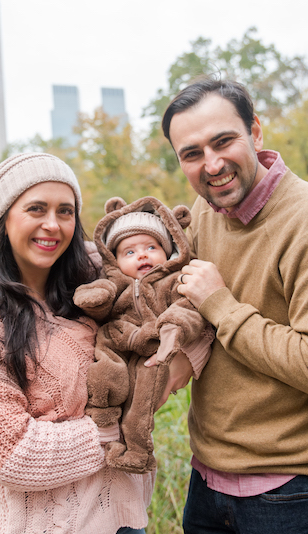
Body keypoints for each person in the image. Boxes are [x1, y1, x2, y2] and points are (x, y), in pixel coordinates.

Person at [161, 78, 308, 533]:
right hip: (207, 482)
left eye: (223, 141)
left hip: (292, 492)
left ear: (255, 133)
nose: (212, 165)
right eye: (192, 153)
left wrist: (222, 305)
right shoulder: (201, 213)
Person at [0, 153, 153, 534]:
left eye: (65, 211)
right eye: (36, 209)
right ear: (4, 218)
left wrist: (180, 362)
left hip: (126, 520)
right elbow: (5, 452)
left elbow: (167, 291)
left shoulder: (96, 277)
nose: (52, 225)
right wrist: (118, 429)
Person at [73, 196, 210, 474]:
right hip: (119, 339)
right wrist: (96, 298)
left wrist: (174, 327)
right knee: (105, 369)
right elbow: (103, 302)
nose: (143, 255)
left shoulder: (173, 280)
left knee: (143, 398)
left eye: (151, 247)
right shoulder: (117, 282)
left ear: (168, 250)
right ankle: (104, 420)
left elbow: (188, 308)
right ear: (115, 260)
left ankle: (137, 450)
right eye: (130, 252)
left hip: (156, 348)